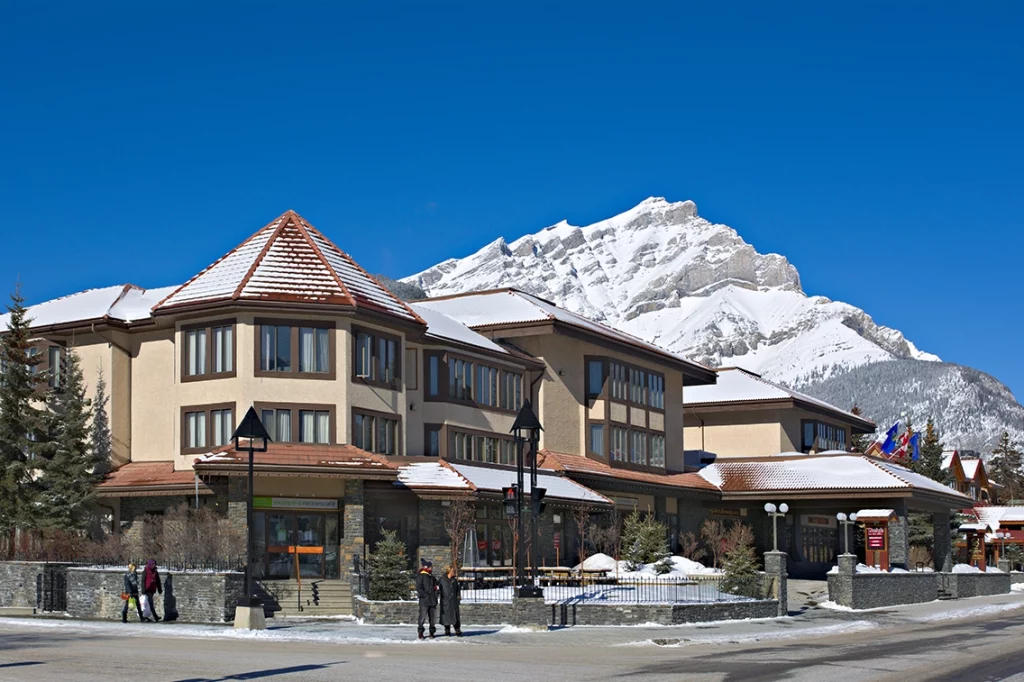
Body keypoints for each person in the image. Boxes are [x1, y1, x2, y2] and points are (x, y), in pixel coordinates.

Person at [415, 558, 439, 639]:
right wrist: (425, 595)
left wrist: (436, 591)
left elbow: (436, 585)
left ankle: (432, 632)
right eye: (430, 567)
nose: (431, 568)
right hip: (424, 601)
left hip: (433, 601)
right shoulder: (421, 576)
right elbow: (419, 588)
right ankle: (420, 633)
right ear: (426, 567)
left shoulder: (432, 577)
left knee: (433, 619)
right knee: (422, 618)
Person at [438, 564, 462, 637]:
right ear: (449, 572)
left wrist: (458, 596)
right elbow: (438, 589)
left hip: (454, 601)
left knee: (455, 616)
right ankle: (447, 630)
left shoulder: (454, 580)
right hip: (446, 601)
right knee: (446, 617)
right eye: (453, 571)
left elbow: (458, 589)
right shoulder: (442, 580)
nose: (454, 572)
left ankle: (457, 630)